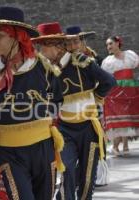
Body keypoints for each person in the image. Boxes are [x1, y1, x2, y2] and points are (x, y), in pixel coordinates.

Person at [0, 6, 65, 199]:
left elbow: (57, 97)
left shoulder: (42, 67)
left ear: (16, 36)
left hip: (44, 149)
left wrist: (44, 120)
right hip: (10, 153)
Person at [34, 22, 116, 199]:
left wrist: (96, 97)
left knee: (87, 177)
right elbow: (52, 100)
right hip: (65, 129)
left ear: (55, 45)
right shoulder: (47, 70)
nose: (40, 52)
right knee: (67, 169)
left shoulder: (83, 63)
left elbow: (109, 81)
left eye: (42, 47)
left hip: (89, 128)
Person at [65, 25, 110, 187]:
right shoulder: (64, 61)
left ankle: (95, 174)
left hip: (94, 105)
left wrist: (97, 96)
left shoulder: (92, 59)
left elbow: (106, 80)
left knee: (97, 139)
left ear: (82, 42)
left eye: (76, 42)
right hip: (70, 112)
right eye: (68, 43)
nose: (72, 47)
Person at [101, 36, 139, 156]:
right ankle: (116, 146)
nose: (109, 47)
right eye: (107, 45)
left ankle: (125, 145)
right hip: (116, 91)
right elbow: (105, 77)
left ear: (118, 43)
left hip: (131, 90)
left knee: (128, 117)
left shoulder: (130, 55)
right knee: (119, 117)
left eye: (110, 43)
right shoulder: (108, 61)